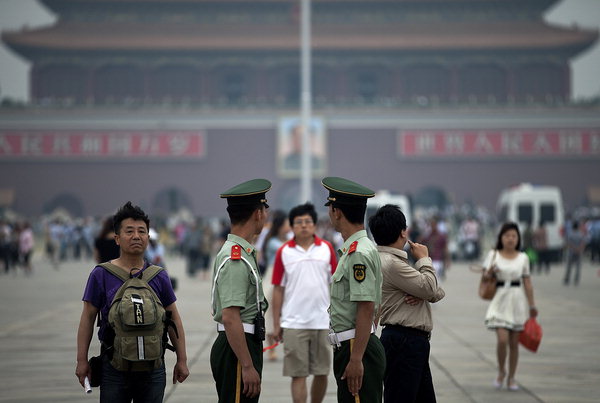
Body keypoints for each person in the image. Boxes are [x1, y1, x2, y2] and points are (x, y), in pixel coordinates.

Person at [75, 201, 189, 401]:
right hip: (113, 368)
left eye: (142, 231)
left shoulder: (159, 276)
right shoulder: (101, 274)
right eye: (129, 231)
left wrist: (182, 359)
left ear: (147, 237)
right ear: (117, 238)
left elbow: (174, 320)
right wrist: (81, 360)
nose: (136, 236)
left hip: (154, 369)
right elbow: (87, 319)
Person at [368, 205, 445, 403]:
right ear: (403, 232)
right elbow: (432, 289)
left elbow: (434, 290)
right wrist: (424, 258)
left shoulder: (383, 259)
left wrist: (423, 291)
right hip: (405, 342)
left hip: (405, 340)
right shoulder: (394, 264)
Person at [321, 177, 385, 403]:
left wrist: (356, 358)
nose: (329, 214)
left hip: (355, 347)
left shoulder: (358, 253)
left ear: (337, 212)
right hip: (353, 346)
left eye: (330, 208)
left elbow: (366, 306)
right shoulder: (358, 248)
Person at [210, 179, 271, 402]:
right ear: (258, 214)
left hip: (242, 344)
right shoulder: (236, 258)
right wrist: (246, 365)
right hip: (237, 348)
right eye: (264, 210)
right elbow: (230, 317)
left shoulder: (242, 253)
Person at [271, 202, 337, 403]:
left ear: (315, 225)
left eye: (308, 221)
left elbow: (336, 284)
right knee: (297, 374)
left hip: (322, 322)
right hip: (293, 323)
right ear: (291, 226)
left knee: (321, 373)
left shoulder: (326, 249)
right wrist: (276, 324)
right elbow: (278, 289)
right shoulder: (284, 252)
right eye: (298, 222)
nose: (304, 226)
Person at [483, 222, 537, 391]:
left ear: (518, 238)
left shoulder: (523, 258)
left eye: (514, 236)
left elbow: (527, 282)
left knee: (514, 343)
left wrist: (532, 305)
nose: (510, 239)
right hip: (500, 299)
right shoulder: (493, 255)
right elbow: (485, 276)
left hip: (517, 300)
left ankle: (512, 377)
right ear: (501, 238)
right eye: (507, 236)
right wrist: (490, 271)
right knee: (502, 339)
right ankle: (501, 371)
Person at [261, 210, 290, 361]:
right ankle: (271, 346)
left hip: (287, 276)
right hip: (273, 276)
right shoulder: (273, 242)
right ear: (280, 226)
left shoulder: (289, 239)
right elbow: (286, 251)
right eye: (287, 223)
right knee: (270, 310)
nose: (289, 226)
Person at [422, 217, 450, 281]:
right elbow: (421, 243)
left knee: (437, 280)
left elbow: (445, 248)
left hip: (438, 260)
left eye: (434, 224)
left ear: (436, 225)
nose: (432, 226)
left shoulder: (441, 236)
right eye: (431, 225)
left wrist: (448, 260)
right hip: (430, 260)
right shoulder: (428, 236)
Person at [563, 221, 586, 286]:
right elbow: (583, 243)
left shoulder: (570, 234)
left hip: (571, 252)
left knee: (569, 267)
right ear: (578, 227)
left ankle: (567, 279)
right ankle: (576, 280)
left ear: (572, 227)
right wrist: (579, 249)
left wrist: (574, 248)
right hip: (579, 252)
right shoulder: (581, 234)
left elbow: (568, 243)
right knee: (578, 267)